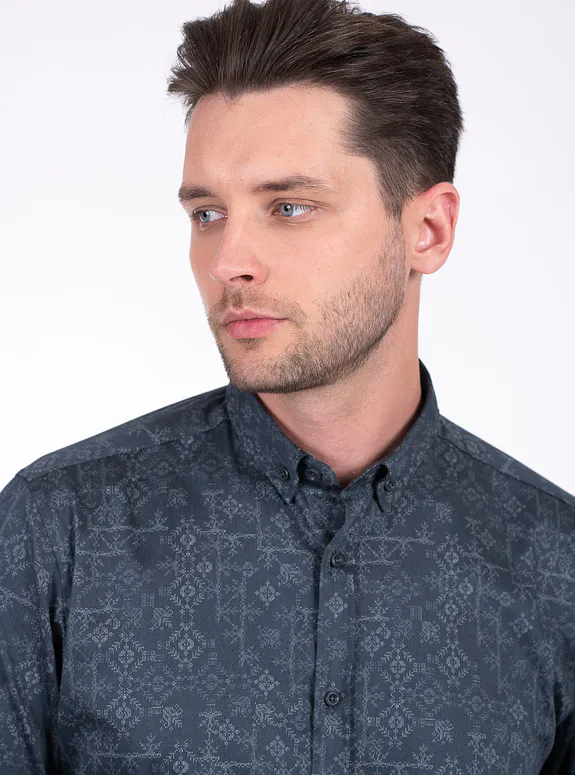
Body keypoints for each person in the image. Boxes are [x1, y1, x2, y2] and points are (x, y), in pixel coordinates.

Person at [1, 0, 574, 771]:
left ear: (428, 230)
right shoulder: (56, 529)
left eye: (289, 207)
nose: (227, 261)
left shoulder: (554, 564)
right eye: (207, 213)